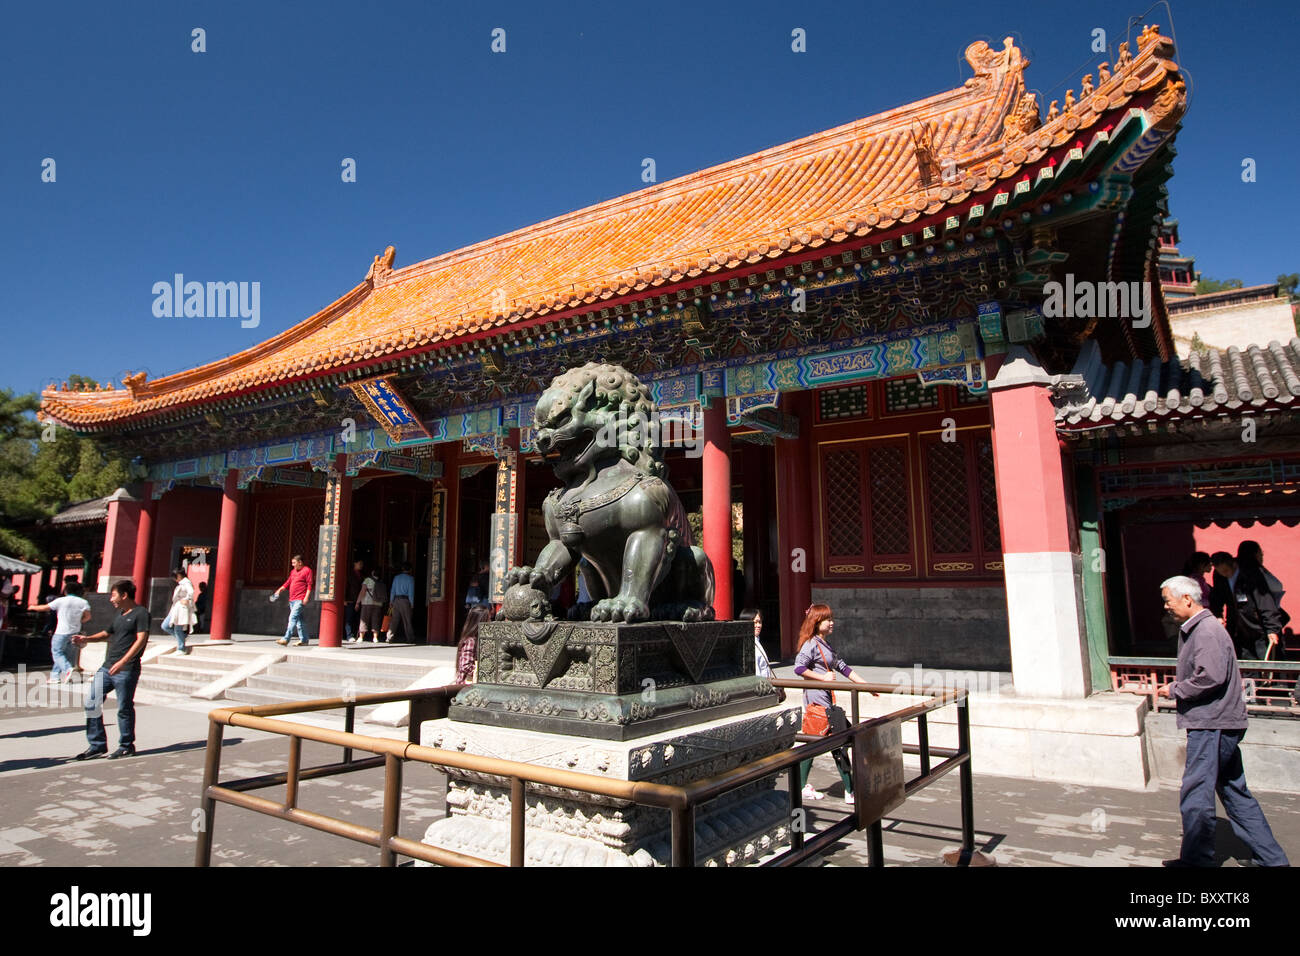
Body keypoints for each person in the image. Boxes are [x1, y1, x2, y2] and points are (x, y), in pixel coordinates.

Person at [1157, 575, 1289, 867]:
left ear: (1187, 600)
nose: (1166, 606)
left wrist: (1175, 689)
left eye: (1168, 600)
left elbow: (1210, 677)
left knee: (1196, 794)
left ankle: (1196, 861)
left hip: (1212, 724)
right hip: (1219, 722)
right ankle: (1273, 860)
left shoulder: (1205, 630)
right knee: (1234, 793)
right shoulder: (1204, 628)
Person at [793, 603, 873, 805]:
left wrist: (867, 686)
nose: (831, 622)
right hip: (818, 704)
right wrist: (823, 679)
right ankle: (849, 790)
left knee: (823, 745)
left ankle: (806, 787)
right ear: (816, 622)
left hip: (825, 704)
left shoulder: (825, 645)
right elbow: (798, 668)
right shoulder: (811, 644)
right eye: (827, 619)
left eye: (831, 618)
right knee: (837, 744)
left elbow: (844, 668)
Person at [71, 579, 150, 760]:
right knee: (91, 702)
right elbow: (107, 633)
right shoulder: (120, 614)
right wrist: (86, 639)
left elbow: (141, 639)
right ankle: (97, 745)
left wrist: (124, 661)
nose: (111, 599)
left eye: (113, 595)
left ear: (124, 595)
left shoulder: (141, 613)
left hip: (126, 668)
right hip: (107, 666)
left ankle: (126, 745)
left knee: (124, 707)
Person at [1209, 551, 1281, 661]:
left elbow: (1265, 602)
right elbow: (1217, 596)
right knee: (1242, 658)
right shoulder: (1219, 576)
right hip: (1237, 626)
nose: (1225, 575)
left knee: (1262, 659)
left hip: (1257, 625)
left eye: (1226, 571)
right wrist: (1218, 614)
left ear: (1233, 564)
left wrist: (1272, 629)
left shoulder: (1249, 574)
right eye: (1221, 572)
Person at [30, 580, 91, 683]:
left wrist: (33, 607)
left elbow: (45, 608)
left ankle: (67, 669)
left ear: (66, 590)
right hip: (75, 632)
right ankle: (55, 676)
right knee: (67, 654)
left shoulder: (61, 600)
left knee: (57, 652)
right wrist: (80, 621)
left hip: (61, 632)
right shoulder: (83, 602)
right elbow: (88, 617)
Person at [739, 607, 784, 703]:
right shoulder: (748, 645)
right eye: (754, 622)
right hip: (759, 691)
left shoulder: (756, 641)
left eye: (759, 622)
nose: (758, 625)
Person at [273, 554, 313, 647]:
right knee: (300, 620)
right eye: (292, 563)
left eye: (294, 563)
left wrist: (306, 597)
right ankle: (304, 640)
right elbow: (288, 582)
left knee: (292, 618)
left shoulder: (307, 570)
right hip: (292, 599)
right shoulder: (293, 572)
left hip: (300, 599)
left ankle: (286, 638)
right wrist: (279, 590)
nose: (293, 565)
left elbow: (309, 584)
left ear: (300, 562)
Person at [163, 569, 196, 655]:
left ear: (179, 575)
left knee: (178, 628)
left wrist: (186, 600)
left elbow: (191, 592)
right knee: (165, 625)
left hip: (181, 609)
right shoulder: (182, 583)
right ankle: (182, 638)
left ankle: (181, 648)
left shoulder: (186, 583)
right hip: (175, 608)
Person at [351, 565, 387, 644]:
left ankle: (361, 637)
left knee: (364, 619)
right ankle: (375, 637)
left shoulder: (367, 580)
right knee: (376, 619)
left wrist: (357, 602)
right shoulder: (380, 581)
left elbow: (363, 591)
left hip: (367, 602)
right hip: (378, 603)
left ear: (372, 572)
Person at [456, 604, 490, 684]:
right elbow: (465, 665)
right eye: (488, 619)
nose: (490, 622)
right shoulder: (471, 641)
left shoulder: (477, 639)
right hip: (466, 686)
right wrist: (482, 671)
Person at [389, 563, 415, 643]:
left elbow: (392, 590)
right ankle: (410, 638)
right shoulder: (410, 579)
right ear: (410, 570)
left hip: (396, 600)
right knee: (407, 620)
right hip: (405, 600)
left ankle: (389, 637)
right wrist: (411, 603)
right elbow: (411, 592)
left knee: (394, 620)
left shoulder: (396, 578)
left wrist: (391, 601)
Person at [344, 559, 364, 641]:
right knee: (349, 618)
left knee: (357, 618)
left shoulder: (361, 575)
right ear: (354, 563)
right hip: (350, 599)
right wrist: (344, 599)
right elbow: (345, 586)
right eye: (359, 563)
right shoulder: (350, 574)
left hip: (358, 600)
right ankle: (349, 635)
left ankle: (355, 634)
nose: (361, 565)